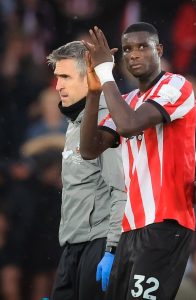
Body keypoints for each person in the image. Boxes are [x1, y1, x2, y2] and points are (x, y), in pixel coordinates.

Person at [80, 22, 196, 299]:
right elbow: (89, 149)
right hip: (130, 227)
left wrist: (105, 72)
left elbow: (130, 125)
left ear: (159, 49)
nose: (133, 54)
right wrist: (95, 91)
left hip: (166, 224)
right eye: (128, 49)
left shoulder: (177, 85)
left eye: (143, 46)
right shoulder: (129, 99)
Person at [46, 41, 126, 300]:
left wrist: (112, 249)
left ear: (89, 77)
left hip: (98, 245)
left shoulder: (107, 121)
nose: (58, 86)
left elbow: (121, 189)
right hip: (72, 246)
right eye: (57, 77)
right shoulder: (74, 122)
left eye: (66, 77)